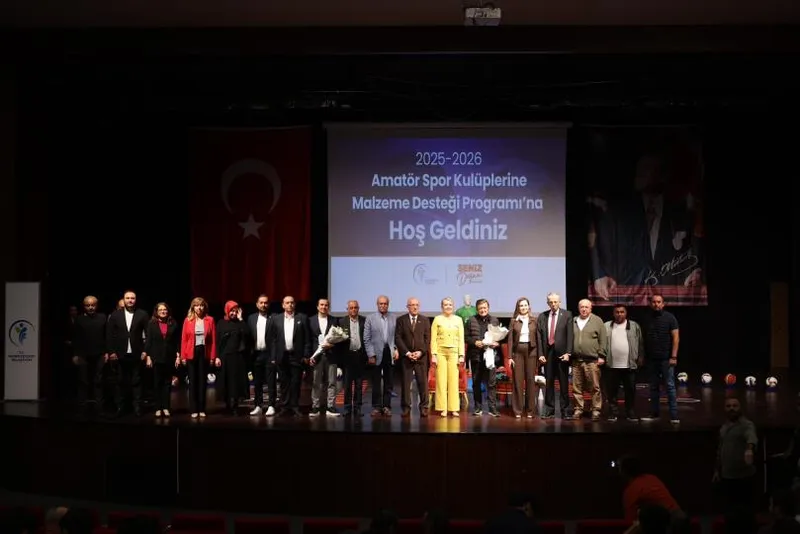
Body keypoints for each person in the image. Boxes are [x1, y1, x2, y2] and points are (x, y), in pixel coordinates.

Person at [714, 397, 758, 534]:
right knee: (730, 512)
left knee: (746, 513)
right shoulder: (724, 427)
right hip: (727, 476)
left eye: (735, 405)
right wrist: (717, 470)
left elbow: (751, 438)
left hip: (744, 477)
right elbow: (720, 450)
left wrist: (749, 449)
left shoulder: (747, 425)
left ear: (740, 408)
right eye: (728, 406)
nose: (731, 408)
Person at [618, 455, 687, 532]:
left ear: (624, 472)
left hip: (668, 523)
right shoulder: (652, 478)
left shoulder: (632, 490)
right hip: (681, 518)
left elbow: (630, 520)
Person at [640, 294, 680, 424]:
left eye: (659, 302)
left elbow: (676, 338)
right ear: (650, 303)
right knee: (653, 387)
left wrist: (673, 356)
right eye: (654, 302)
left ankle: (674, 416)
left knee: (670, 386)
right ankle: (654, 414)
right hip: (651, 359)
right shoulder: (646, 318)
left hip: (666, 359)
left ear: (663, 304)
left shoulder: (670, 317)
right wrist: (642, 356)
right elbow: (643, 339)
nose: (656, 304)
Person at [603, 304, 644, 421]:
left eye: (622, 312)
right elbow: (601, 343)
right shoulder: (606, 326)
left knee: (630, 390)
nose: (619, 314)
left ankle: (630, 412)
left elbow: (640, 343)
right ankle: (613, 412)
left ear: (626, 313)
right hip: (612, 365)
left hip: (629, 365)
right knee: (612, 391)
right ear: (613, 313)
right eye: (617, 312)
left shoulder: (634, 326)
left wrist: (641, 357)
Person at [536, 292, 573, 419]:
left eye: (555, 302)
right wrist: (540, 354)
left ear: (560, 302)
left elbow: (570, 335)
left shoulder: (567, 315)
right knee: (549, 382)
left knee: (563, 382)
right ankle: (549, 409)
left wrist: (568, 353)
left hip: (562, 354)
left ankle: (565, 409)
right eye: (551, 302)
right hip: (548, 353)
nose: (553, 304)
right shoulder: (542, 316)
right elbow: (539, 337)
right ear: (548, 303)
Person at [180, 297, 219, 418]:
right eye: (197, 305)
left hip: (204, 352)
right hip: (191, 352)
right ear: (193, 307)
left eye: (201, 305)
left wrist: (212, 357)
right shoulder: (188, 320)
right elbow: (184, 339)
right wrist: (183, 356)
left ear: (204, 307)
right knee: (193, 382)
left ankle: (202, 408)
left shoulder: (210, 320)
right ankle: (193, 409)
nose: (199, 308)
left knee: (202, 381)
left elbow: (213, 340)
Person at [142, 302, 180, 417]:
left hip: (169, 357)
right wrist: (148, 356)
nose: (163, 311)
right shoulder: (151, 324)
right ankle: (158, 407)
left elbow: (176, 341)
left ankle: (166, 407)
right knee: (157, 383)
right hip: (156, 357)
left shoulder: (173, 323)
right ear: (156, 312)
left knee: (167, 383)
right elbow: (149, 341)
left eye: (165, 310)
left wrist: (178, 356)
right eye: (160, 310)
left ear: (168, 311)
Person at [395, 297, 431, 417]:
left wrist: (420, 352)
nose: (415, 307)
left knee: (423, 383)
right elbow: (398, 338)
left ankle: (424, 407)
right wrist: (407, 353)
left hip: (421, 357)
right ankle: (406, 408)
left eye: (417, 305)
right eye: (412, 305)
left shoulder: (425, 320)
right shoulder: (401, 320)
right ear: (408, 307)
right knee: (406, 384)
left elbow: (427, 339)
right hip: (406, 357)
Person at [430, 297, 465, 417]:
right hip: (440, 352)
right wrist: (434, 355)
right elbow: (433, 339)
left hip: (454, 352)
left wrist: (461, 355)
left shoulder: (458, 320)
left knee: (453, 381)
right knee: (441, 381)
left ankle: (453, 408)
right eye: (445, 305)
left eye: (450, 304)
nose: (448, 306)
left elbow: (461, 338)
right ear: (442, 307)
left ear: (453, 306)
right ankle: (443, 408)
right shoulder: (437, 319)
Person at [466, 298, 501, 417]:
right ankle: (478, 408)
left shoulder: (494, 320)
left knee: (491, 383)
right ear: (477, 309)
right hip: (476, 356)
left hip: (490, 356)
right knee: (476, 383)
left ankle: (492, 408)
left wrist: (497, 343)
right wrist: (474, 342)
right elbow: (466, 337)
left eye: (485, 308)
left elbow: (499, 337)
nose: (483, 310)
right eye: (480, 308)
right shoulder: (471, 320)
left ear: (488, 308)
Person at [216, 300, 250, 414]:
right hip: (224, 357)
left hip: (237, 357)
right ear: (227, 310)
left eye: (236, 311)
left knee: (236, 382)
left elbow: (247, 334)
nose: (234, 313)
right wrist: (216, 356)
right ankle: (227, 405)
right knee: (226, 381)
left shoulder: (240, 323)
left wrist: (241, 319)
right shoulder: (221, 323)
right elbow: (217, 341)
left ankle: (235, 405)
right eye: (232, 311)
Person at [509, 297, 540, 419]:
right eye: (521, 306)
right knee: (517, 381)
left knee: (530, 380)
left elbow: (538, 338)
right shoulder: (513, 321)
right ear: (518, 307)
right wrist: (509, 356)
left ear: (529, 307)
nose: (523, 307)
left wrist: (540, 354)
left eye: (525, 305)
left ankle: (530, 410)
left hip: (531, 351)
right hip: (517, 352)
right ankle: (518, 410)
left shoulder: (534, 320)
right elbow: (510, 339)